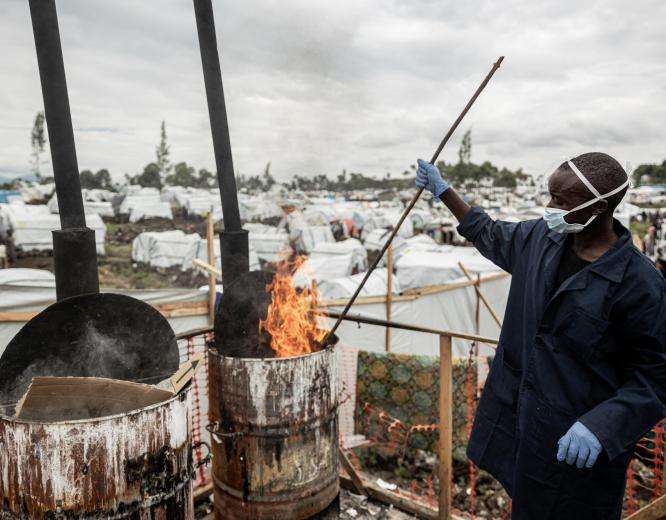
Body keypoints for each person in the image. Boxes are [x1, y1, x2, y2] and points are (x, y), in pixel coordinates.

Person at [416, 152, 666, 519]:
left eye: (560, 201)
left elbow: (655, 378)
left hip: (579, 451)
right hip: (524, 426)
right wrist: (444, 191)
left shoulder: (640, 285)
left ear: (598, 207)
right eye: (549, 196)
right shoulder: (540, 239)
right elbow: (488, 232)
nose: (548, 207)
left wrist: (602, 425)